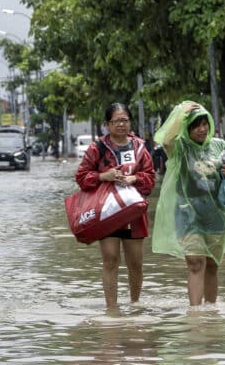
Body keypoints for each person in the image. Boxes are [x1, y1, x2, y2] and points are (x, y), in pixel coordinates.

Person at [151, 101, 225, 306]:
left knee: (212, 265)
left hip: (216, 216)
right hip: (187, 216)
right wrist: (180, 113)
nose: (202, 128)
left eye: (205, 123)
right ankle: (195, 314)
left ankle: (211, 312)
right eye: (196, 125)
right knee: (196, 263)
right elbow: (166, 140)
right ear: (187, 128)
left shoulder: (220, 146)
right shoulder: (180, 149)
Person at [75, 103, 156, 311]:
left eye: (125, 120)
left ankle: (135, 305)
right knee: (110, 259)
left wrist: (134, 178)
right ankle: (112, 309)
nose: (121, 124)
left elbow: (150, 178)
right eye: (116, 121)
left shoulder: (140, 147)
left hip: (134, 212)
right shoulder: (97, 148)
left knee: (136, 263)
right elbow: (82, 177)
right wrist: (104, 176)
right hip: (107, 212)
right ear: (107, 124)